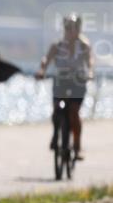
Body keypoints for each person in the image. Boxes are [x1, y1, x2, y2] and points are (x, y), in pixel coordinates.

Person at [36, 13, 93, 160]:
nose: (70, 31)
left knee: (74, 111)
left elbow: (90, 61)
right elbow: (46, 59)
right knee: (57, 109)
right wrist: (42, 70)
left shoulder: (84, 45)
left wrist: (90, 72)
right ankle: (56, 134)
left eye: (73, 28)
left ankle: (77, 146)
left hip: (78, 81)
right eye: (67, 28)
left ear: (78, 29)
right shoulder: (57, 45)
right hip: (61, 79)